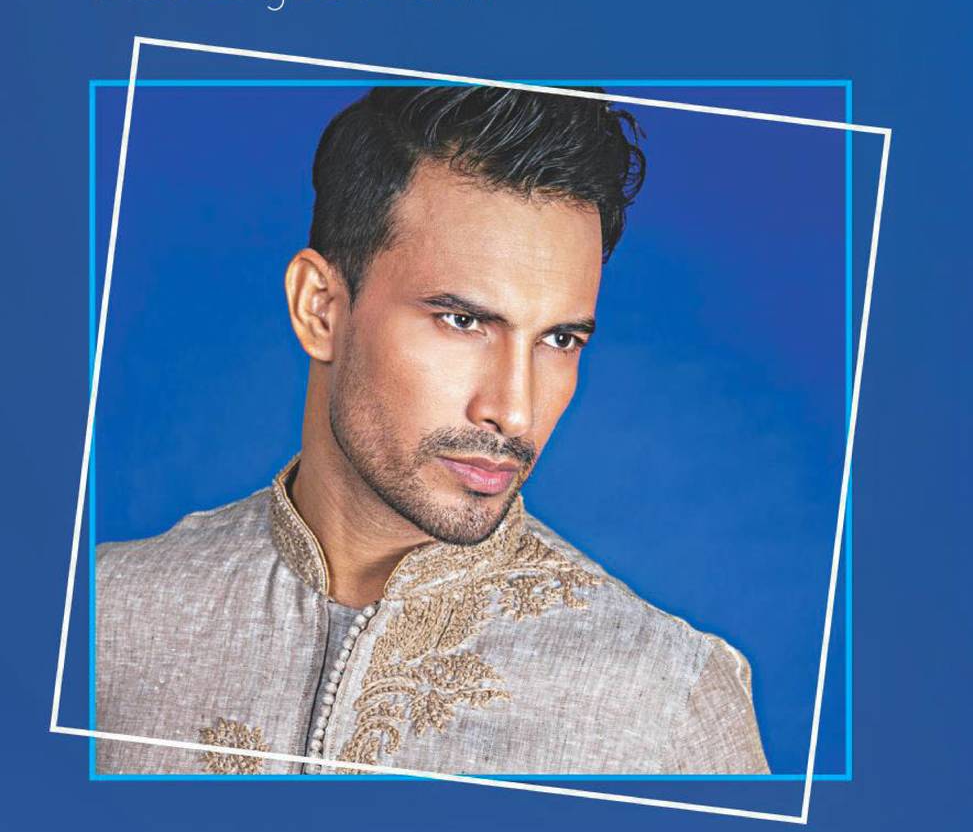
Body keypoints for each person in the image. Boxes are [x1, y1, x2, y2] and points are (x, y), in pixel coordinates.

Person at [95, 81, 768, 779]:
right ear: (320, 309)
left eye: (559, 339)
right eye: (464, 321)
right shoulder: (105, 620)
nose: (514, 411)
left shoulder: (665, 701)